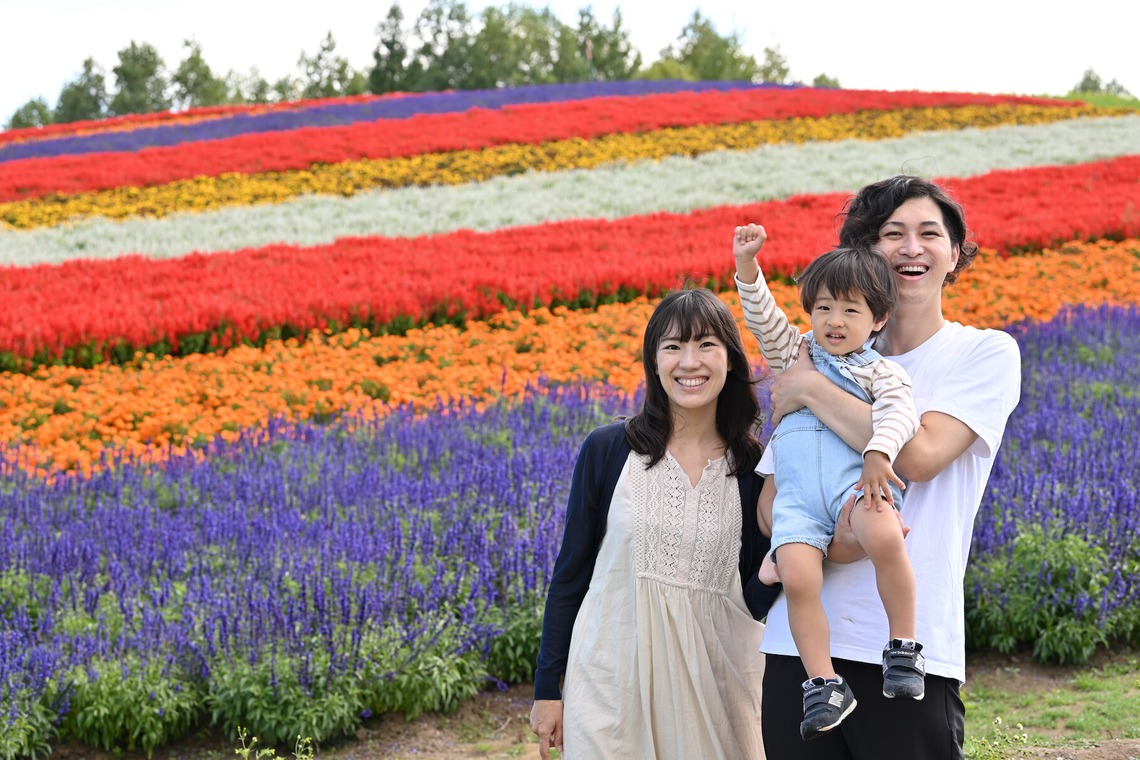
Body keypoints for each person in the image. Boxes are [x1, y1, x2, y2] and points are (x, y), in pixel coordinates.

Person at [739, 175, 1022, 760]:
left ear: (955, 254)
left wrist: (809, 390)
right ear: (865, 252)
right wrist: (832, 537)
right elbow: (770, 506)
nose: (912, 248)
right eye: (893, 234)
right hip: (802, 654)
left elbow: (917, 456)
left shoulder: (983, 353)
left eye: (930, 234)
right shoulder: (814, 351)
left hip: (906, 659)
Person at [529, 286, 780, 760]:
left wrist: (770, 579)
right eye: (673, 346)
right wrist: (547, 688)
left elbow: (742, 601)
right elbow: (570, 575)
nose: (689, 362)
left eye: (705, 344)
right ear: (654, 361)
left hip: (713, 694)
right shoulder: (608, 450)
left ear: (730, 359)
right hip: (610, 686)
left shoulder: (753, 470)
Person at [732, 230, 925, 741]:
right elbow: (763, 319)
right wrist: (748, 267)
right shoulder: (796, 354)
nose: (834, 321)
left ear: (878, 318)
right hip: (797, 501)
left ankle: (904, 647)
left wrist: (878, 454)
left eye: (850, 310)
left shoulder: (880, 372)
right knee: (797, 578)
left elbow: (900, 415)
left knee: (884, 535)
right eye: (823, 308)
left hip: (853, 486)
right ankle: (824, 683)